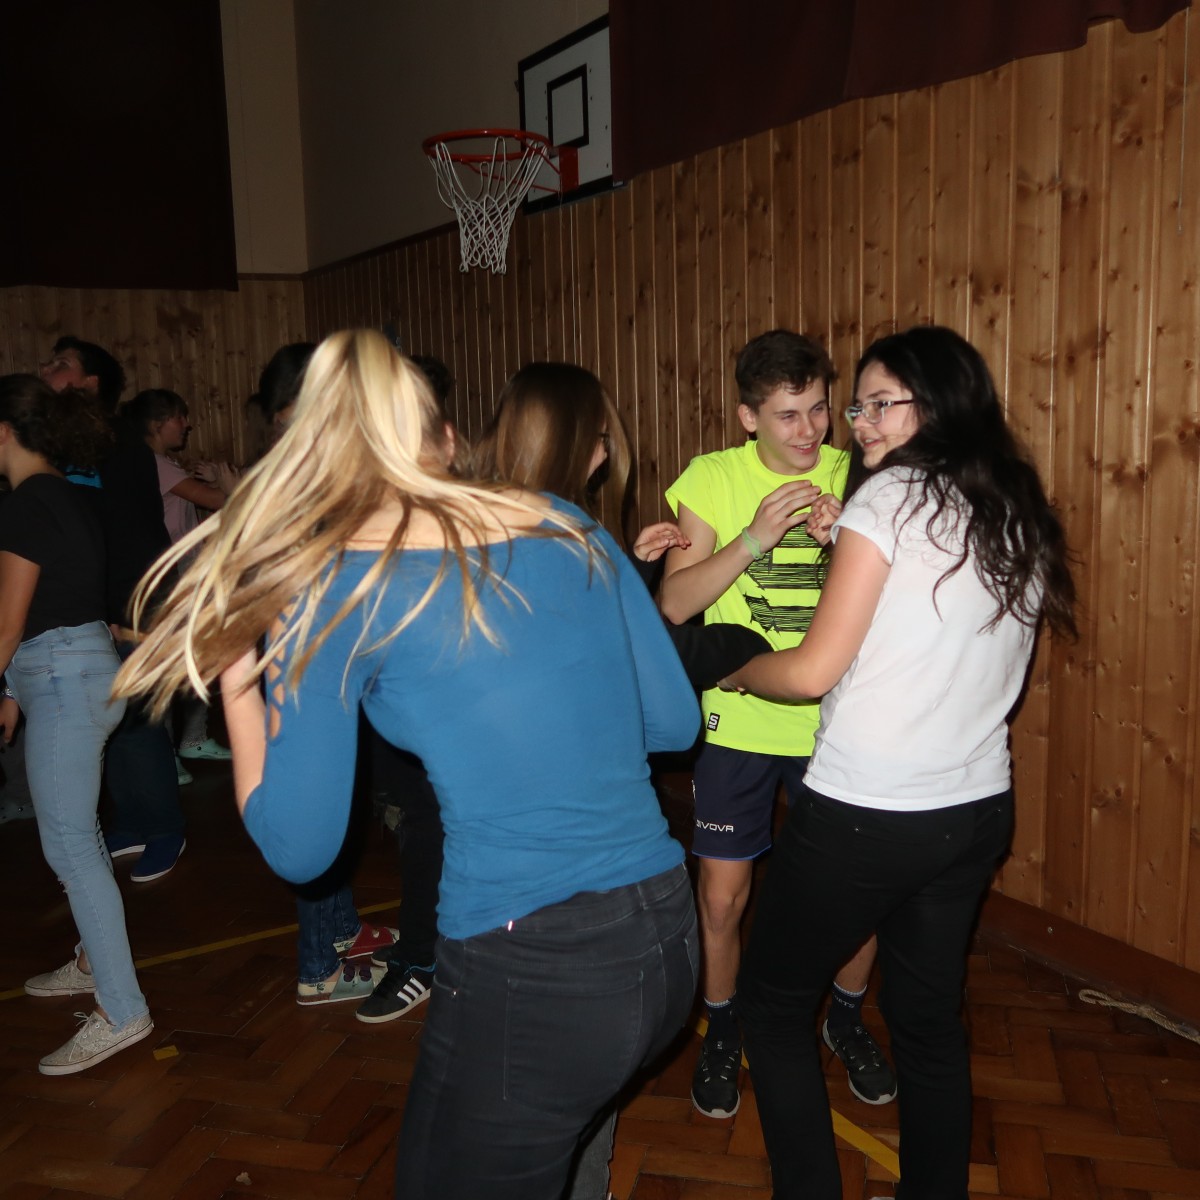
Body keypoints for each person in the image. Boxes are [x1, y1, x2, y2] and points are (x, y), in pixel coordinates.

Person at [115, 330, 700, 1199]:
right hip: (666, 932)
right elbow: (673, 722)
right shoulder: (567, 520)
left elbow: (300, 850)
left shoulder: (338, 586)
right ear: (447, 438)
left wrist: (238, 675)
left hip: (531, 969)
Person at [725, 326, 1077, 1199]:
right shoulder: (1012, 504)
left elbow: (810, 673)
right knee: (926, 1023)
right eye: (860, 407)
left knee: (771, 1008)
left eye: (882, 405)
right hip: (974, 812)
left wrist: (732, 664)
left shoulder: (887, 501)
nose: (860, 425)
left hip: (867, 813)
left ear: (942, 402)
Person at [472, 361, 766, 1199]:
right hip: (600, 882)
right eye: (601, 436)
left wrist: (635, 576)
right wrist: (740, 644)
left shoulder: (460, 548)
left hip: (493, 888)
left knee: (508, 1107)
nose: (607, 452)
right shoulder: (581, 544)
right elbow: (669, 722)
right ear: (579, 445)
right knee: (577, 1093)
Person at [660, 329, 893, 1118]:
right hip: (740, 720)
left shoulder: (858, 470)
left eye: (820, 409)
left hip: (842, 723)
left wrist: (847, 539)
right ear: (747, 417)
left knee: (857, 893)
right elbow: (674, 603)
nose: (810, 431)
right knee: (723, 899)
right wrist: (755, 537)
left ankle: (846, 1017)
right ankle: (723, 1027)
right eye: (788, 415)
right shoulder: (712, 477)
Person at [0, 374, 153, 1074]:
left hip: (63, 679)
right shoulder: (67, 495)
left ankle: (122, 1010)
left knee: (70, 848)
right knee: (81, 835)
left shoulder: (25, 504)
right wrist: (12, 689)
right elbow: (60, 600)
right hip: (80, 668)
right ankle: (93, 962)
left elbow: (10, 621)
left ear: (4, 431)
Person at [39, 336, 186, 883]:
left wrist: (122, 608)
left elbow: (128, 532)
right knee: (111, 719)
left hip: (133, 598)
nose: (46, 368)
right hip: (98, 599)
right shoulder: (64, 442)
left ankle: (166, 828)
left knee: (140, 720)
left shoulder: (115, 441)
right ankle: (134, 822)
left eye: (61, 364)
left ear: (90, 383)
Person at [120, 388, 236, 769]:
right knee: (182, 659)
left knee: (194, 656)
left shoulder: (161, 463)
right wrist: (226, 481)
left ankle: (187, 742)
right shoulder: (156, 464)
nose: (186, 424)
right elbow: (219, 501)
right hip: (175, 571)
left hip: (182, 569)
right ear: (157, 424)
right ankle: (174, 750)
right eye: (179, 417)